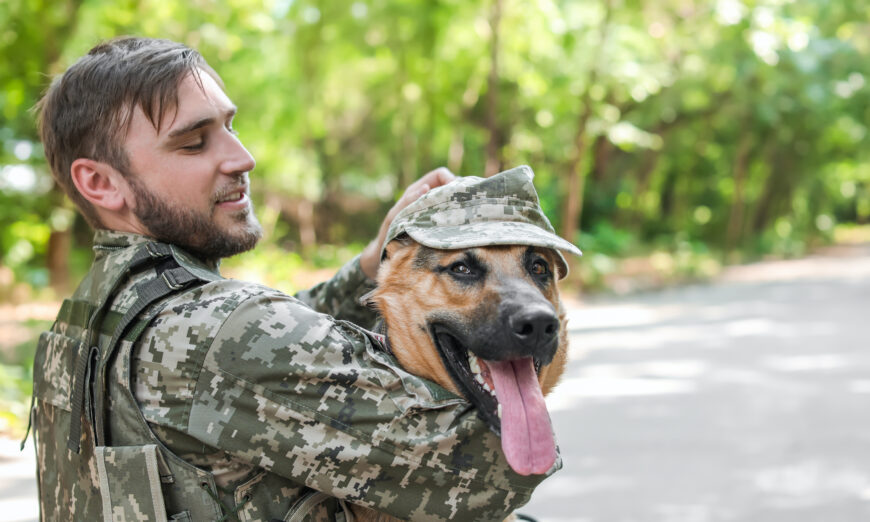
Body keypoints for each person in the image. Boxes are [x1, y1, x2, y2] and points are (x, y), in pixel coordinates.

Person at [27, 37, 557, 521]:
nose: (242, 157)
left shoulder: (98, 310)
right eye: (194, 143)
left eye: (229, 126)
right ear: (100, 182)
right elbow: (490, 473)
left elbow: (269, 345)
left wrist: (374, 264)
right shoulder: (220, 333)